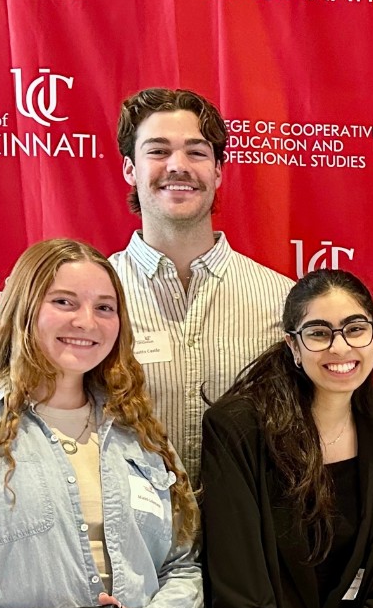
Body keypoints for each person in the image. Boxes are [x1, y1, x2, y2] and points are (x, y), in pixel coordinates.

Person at [0, 238, 201, 608]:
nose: (86, 321)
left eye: (104, 307)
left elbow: (183, 566)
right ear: (24, 310)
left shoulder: (142, 435)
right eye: (64, 302)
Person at [201, 269, 373, 608]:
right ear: (293, 346)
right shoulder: (237, 429)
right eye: (319, 333)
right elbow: (240, 592)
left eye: (355, 329)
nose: (340, 347)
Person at [110, 87, 293, 478]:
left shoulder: (281, 300)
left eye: (196, 152)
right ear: (130, 169)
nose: (178, 165)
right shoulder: (93, 302)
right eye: (158, 151)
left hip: (249, 519)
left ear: (218, 171)